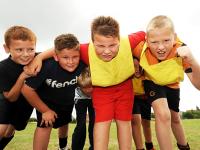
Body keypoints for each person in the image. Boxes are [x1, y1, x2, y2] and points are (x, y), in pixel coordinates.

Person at [31, 16, 145, 150]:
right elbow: (62, 49)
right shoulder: (85, 50)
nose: (107, 51)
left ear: (119, 40)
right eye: (101, 46)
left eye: (112, 45)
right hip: (102, 91)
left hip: (125, 87)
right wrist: (39, 57)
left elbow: (147, 34)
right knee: (102, 123)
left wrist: (176, 45)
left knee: (124, 123)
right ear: (93, 42)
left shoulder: (129, 41)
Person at [133, 15, 200, 150]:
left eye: (166, 40)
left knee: (175, 117)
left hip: (172, 84)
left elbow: (198, 85)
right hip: (152, 82)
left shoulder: (181, 50)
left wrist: (192, 60)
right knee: (163, 115)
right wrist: (134, 61)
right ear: (146, 39)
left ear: (174, 37)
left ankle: (184, 146)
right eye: (154, 42)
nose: (161, 47)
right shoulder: (140, 49)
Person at [21, 34, 86, 150]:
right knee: (45, 125)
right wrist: (45, 110)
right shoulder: (47, 66)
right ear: (56, 56)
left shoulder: (83, 64)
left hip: (67, 101)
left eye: (75, 57)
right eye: (65, 58)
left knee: (64, 123)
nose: (70, 62)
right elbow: (26, 89)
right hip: (46, 102)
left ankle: (63, 147)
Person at [0, 26, 37, 149]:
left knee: (10, 131)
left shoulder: (36, 58)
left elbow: (56, 50)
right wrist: (23, 76)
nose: (26, 54)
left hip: (25, 103)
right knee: (1, 129)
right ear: (7, 48)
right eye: (19, 50)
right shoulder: (3, 67)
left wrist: (40, 58)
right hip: (6, 100)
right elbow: (10, 97)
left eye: (31, 49)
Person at [131, 58, 155, 150]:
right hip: (133, 98)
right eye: (134, 66)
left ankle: (149, 145)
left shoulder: (146, 75)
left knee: (146, 123)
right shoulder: (128, 76)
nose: (137, 69)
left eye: (139, 67)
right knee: (135, 120)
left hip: (145, 98)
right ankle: (139, 148)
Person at [72, 67, 94, 150]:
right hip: (80, 101)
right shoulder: (77, 79)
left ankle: (94, 147)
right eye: (84, 88)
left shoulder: (94, 77)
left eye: (90, 87)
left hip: (94, 100)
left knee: (94, 124)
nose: (88, 90)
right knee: (81, 125)